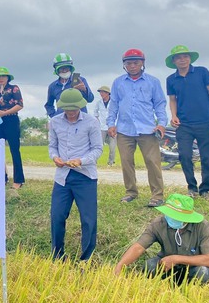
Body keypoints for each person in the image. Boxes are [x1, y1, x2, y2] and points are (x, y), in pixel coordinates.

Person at [107, 49, 168, 207]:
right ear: (124, 65)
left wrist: (161, 123)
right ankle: (131, 192)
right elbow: (113, 104)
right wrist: (111, 123)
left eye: (136, 62)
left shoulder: (152, 82)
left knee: (152, 162)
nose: (132, 66)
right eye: (128, 63)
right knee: (127, 162)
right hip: (124, 130)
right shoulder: (118, 82)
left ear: (142, 63)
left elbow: (160, 104)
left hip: (147, 129)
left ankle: (157, 195)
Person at [48, 89, 103, 261]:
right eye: (67, 109)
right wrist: (55, 157)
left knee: (88, 220)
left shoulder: (91, 122)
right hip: (63, 177)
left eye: (74, 109)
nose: (70, 112)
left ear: (80, 106)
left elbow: (98, 149)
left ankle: (86, 259)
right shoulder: (55, 122)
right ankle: (57, 255)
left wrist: (82, 160)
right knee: (57, 215)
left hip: (85, 176)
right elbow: (52, 146)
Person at [114, 194, 209, 284]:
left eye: (176, 216)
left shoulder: (202, 226)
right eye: (170, 215)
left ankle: (192, 292)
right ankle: (161, 288)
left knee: (203, 272)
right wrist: (120, 266)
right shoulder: (159, 224)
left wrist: (176, 259)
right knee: (150, 266)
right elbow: (138, 247)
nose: (172, 218)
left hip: (192, 268)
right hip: (166, 267)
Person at [165, 45, 209, 199]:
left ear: (190, 58)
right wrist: (173, 115)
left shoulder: (202, 72)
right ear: (174, 61)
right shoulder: (171, 79)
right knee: (184, 155)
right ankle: (192, 187)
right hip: (184, 124)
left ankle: (205, 189)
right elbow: (172, 100)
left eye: (185, 56)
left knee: (207, 157)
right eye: (179, 57)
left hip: (205, 122)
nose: (183, 60)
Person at [0, 67, 25, 188]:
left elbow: (20, 105)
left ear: (7, 78)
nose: (1, 79)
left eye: (3, 76)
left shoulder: (14, 88)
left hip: (11, 120)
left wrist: (4, 113)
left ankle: (18, 180)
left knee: (14, 150)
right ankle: (1, 177)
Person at [45, 53, 94, 117]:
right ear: (56, 70)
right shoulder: (53, 86)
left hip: (80, 120)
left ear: (71, 68)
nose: (64, 70)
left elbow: (90, 99)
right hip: (62, 122)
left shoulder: (79, 80)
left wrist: (85, 90)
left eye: (67, 68)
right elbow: (49, 105)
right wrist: (54, 116)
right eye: (61, 68)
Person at [93, 85, 117, 166]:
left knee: (112, 146)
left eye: (103, 92)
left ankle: (111, 162)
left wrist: (116, 126)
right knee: (99, 145)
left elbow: (118, 113)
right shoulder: (98, 103)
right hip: (102, 127)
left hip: (112, 127)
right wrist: (97, 122)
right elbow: (95, 113)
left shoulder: (114, 102)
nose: (101, 94)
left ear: (108, 93)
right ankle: (94, 162)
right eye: (100, 92)